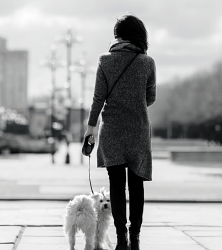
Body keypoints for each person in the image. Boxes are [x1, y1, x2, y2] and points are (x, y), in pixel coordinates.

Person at [84, 13, 156, 250]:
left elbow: (98, 98)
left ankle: (121, 238)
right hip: (138, 131)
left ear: (117, 36)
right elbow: (150, 98)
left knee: (116, 185)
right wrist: (133, 102)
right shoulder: (147, 62)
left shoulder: (105, 61)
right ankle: (135, 238)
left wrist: (90, 128)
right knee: (137, 185)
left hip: (112, 131)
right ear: (139, 35)